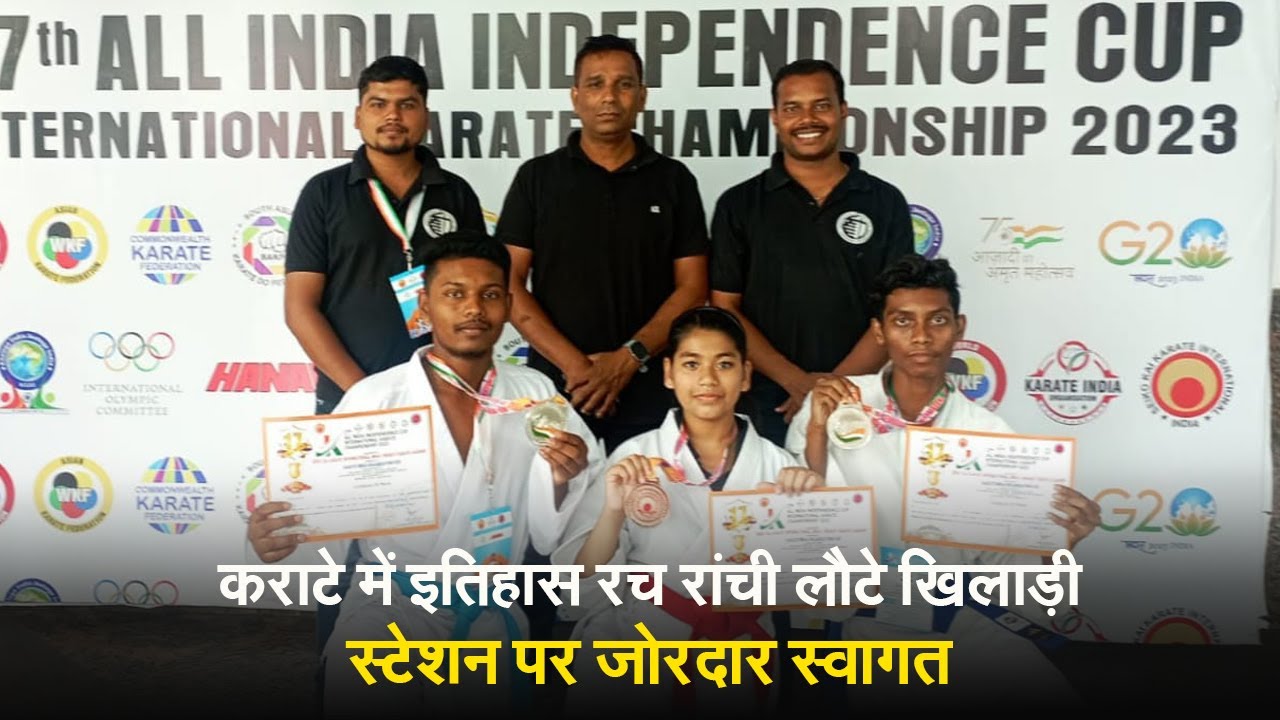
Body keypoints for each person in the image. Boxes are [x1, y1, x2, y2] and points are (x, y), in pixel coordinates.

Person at [250, 232, 604, 717]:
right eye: (454, 293)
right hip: (387, 614)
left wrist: (564, 478)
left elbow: (578, 516)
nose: (473, 308)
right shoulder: (376, 399)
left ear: (507, 305)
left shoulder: (535, 393)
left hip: (488, 616)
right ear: (424, 305)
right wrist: (274, 540)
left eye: (490, 294)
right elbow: (317, 522)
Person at [784, 255, 1102, 709]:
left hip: (960, 619)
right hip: (865, 621)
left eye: (937, 320)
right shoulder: (832, 407)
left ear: (959, 327)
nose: (921, 336)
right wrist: (817, 431)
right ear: (879, 331)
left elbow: (1007, 573)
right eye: (902, 321)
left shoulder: (991, 435)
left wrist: (1057, 544)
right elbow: (800, 527)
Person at [553, 306, 826, 716]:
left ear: (746, 375)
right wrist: (612, 511)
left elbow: (824, 597)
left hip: (736, 655)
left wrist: (806, 509)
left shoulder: (778, 466)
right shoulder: (635, 456)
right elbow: (578, 594)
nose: (708, 379)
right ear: (668, 374)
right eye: (692, 364)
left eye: (725, 364)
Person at [497, 34, 709, 454]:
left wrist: (627, 359)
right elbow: (507, 282)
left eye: (623, 84)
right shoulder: (537, 179)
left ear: (642, 96)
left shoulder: (674, 180)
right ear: (576, 96)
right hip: (558, 390)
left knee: (649, 494)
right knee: (553, 494)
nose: (609, 96)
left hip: (651, 389)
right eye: (595, 84)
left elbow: (693, 287)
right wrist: (578, 367)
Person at [710, 58, 914, 446]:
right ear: (775, 117)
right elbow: (725, 307)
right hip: (767, 403)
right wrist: (795, 381)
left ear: (843, 110)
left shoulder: (885, 201)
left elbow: (899, 310)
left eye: (821, 105)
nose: (808, 119)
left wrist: (833, 386)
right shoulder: (740, 205)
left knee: (862, 488)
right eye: (792, 108)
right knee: (772, 488)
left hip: (863, 400)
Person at [285, 55, 486, 417]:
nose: (392, 116)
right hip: (350, 399)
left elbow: (477, 297)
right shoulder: (324, 194)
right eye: (378, 104)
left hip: (443, 400)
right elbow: (300, 308)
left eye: (406, 105)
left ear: (425, 115)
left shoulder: (457, 194)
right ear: (358, 116)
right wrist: (366, 395)